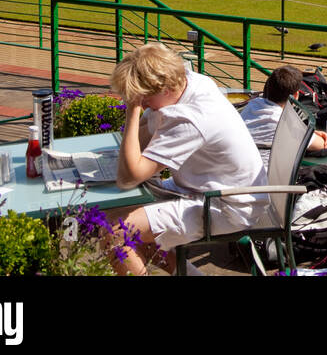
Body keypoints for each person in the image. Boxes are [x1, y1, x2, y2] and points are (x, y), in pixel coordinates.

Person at [107, 43, 268, 275]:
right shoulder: (190, 82)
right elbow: (141, 143)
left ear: (164, 89)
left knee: (115, 232)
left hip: (227, 205)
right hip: (212, 189)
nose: (142, 103)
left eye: (144, 97)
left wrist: (132, 111)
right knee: (118, 215)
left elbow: (129, 177)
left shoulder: (188, 118)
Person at [239, 65, 327, 167]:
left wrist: (304, 131)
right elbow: (322, 144)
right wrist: (319, 135)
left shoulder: (252, 105)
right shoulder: (286, 123)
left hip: (238, 175)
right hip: (267, 180)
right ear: (295, 96)